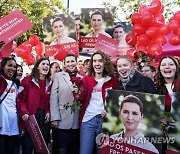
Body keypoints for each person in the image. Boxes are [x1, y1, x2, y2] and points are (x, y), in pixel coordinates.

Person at [79, 51, 118, 154]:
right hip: (88, 120)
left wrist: (109, 110)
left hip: (105, 122)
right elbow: (81, 99)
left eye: (100, 61)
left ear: (105, 63)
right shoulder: (86, 80)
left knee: (102, 152)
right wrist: (76, 93)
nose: (97, 63)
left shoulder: (113, 81)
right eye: (94, 61)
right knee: (85, 151)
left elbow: (117, 102)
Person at [18, 58, 52, 154]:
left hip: (44, 119)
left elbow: (51, 101)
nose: (46, 66)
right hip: (30, 117)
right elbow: (21, 99)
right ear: (37, 66)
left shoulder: (50, 82)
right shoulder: (27, 80)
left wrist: (48, 111)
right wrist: (24, 112)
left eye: (48, 64)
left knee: (41, 147)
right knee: (28, 147)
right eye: (43, 64)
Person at [50, 54, 82, 154]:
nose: (70, 64)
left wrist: (79, 92)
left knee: (73, 149)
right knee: (61, 149)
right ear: (64, 64)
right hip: (61, 119)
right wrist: (55, 117)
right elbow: (53, 97)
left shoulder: (82, 77)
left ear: (76, 62)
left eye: (72, 61)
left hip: (76, 120)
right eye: (68, 62)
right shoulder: (58, 76)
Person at [0, 57, 20, 154]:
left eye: (14, 67)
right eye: (9, 65)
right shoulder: (1, 80)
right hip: (2, 125)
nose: (13, 68)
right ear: (3, 67)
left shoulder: (15, 84)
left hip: (13, 127)